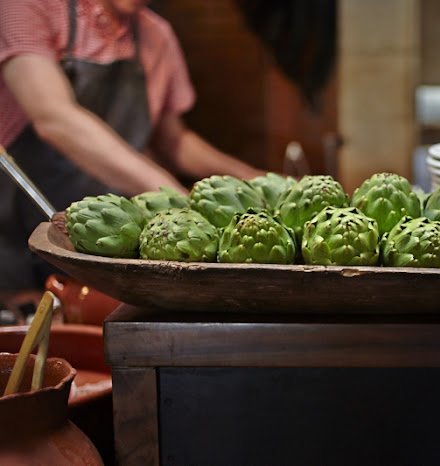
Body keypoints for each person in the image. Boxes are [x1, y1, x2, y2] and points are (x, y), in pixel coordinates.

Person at [0, 0, 269, 289]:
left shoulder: (157, 35)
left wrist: (252, 179)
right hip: (17, 232)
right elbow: (54, 117)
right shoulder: (26, 7)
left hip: (114, 242)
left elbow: (175, 141)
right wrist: (175, 196)